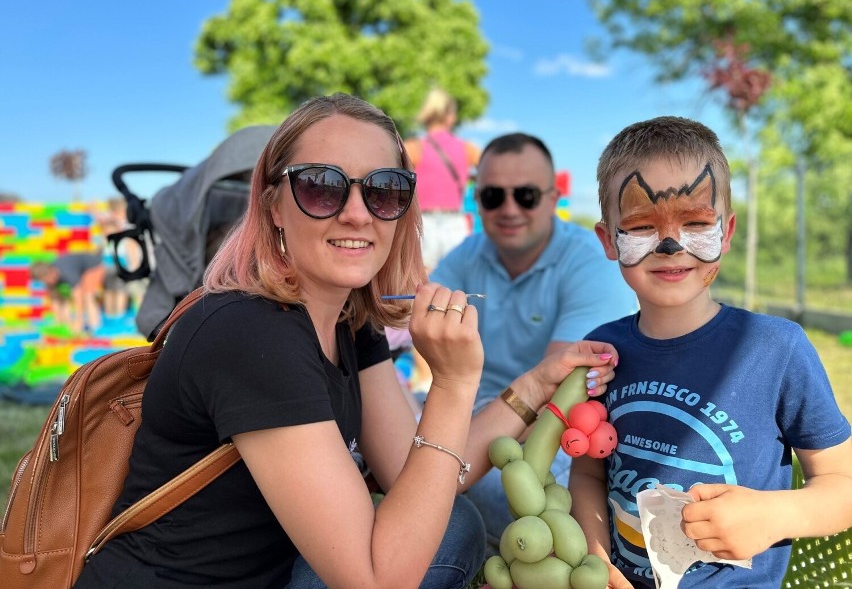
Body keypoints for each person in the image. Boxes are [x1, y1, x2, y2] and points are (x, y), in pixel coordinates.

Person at [73, 93, 619, 589]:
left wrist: (535, 384)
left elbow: (422, 473)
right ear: (272, 206)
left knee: (450, 523)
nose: (357, 212)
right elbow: (377, 580)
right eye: (321, 186)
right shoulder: (248, 332)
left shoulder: (349, 320)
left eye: (384, 190)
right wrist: (453, 384)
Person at [568, 116, 852, 588]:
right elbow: (589, 477)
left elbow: (843, 487)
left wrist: (773, 515)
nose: (670, 243)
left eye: (696, 222)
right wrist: (598, 560)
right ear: (607, 241)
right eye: (641, 226)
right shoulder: (602, 352)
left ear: (726, 231)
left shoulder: (778, 350)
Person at [429, 132, 638, 552]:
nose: (508, 209)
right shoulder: (468, 255)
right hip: (477, 414)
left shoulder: (586, 262)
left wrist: (444, 461)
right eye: (492, 196)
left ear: (552, 197)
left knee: (486, 487)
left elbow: (554, 397)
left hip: (553, 429)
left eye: (524, 195)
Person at [404, 88, 480, 271]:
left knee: (423, 284)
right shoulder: (468, 149)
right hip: (455, 222)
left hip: (424, 223)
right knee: (457, 287)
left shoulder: (414, 148)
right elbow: (495, 171)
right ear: (449, 116)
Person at [31, 252, 105, 335]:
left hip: (93, 265)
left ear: (51, 273)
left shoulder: (67, 273)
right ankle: (64, 325)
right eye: (44, 281)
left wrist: (78, 321)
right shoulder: (49, 276)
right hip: (77, 267)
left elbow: (78, 299)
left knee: (87, 296)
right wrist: (60, 325)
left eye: (47, 280)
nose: (48, 283)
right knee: (60, 299)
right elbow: (55, 301)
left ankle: (96, 328)